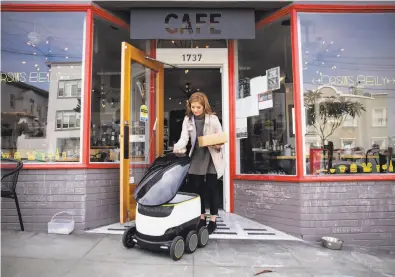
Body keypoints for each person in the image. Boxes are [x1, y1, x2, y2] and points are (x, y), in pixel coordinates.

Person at [173, 92, 225, 234]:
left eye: (198, 107)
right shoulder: (188, 120)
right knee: (197, 189)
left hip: (212, 156)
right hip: (196, 156)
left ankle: (213, 220)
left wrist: (218, 145)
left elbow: (221, 137)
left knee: (212, 188)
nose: (195, 110)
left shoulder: (213, 119)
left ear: (204, 106)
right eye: (193, 107)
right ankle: (201, 217)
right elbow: (184, 138)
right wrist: (178, 146)